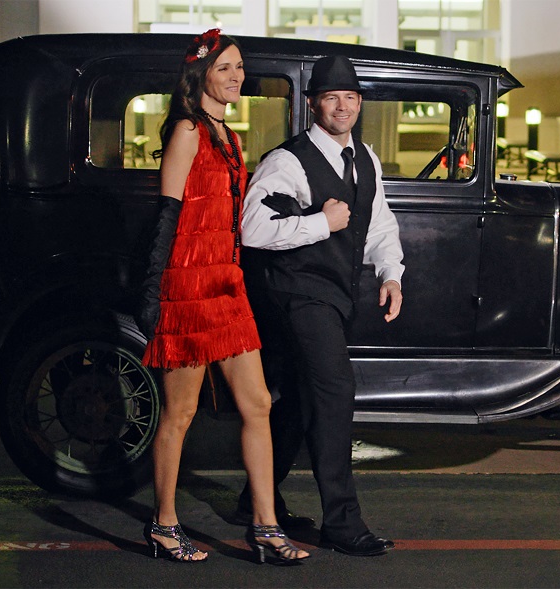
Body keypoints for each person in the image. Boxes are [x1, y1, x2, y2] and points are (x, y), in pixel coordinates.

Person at [135, 28, 308, 564]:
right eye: (227, 67)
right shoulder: (187, 130)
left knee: (257, 405)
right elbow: (165, 215)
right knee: (179, 414)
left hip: (227, 286)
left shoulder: (229, 136)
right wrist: (153, 291)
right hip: (188, 289)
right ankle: (164, 525)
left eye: (240, 69)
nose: (237, 76)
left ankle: (266, 526)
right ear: (201, 74)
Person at [239, 54, 404, 557]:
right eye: (331, 97)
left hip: (334, 295)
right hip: (297, 292)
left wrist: (391, 273)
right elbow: (252, 228)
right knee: (334, 393)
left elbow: (379, 225)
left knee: (297, 398)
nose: (342, 107)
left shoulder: (365, 158)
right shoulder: (287, 161)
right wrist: (320, 224)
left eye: (350, 98)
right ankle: (342, 522)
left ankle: (256, 501)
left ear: (359, 104)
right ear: (312, 104)